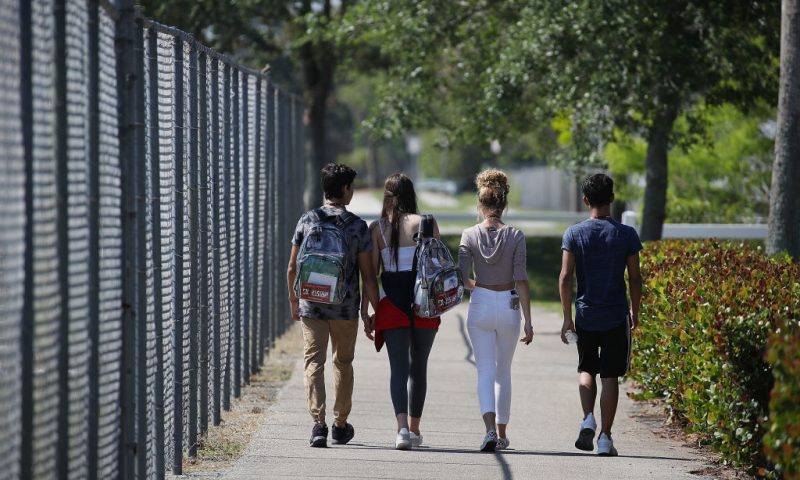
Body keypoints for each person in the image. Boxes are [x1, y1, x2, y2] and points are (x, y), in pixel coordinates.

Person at [287, 163, 380, 448]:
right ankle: (340, 425)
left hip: (311, 304)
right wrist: (371, 310)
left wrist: (294, 301)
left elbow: (292, 267)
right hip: (344, 306)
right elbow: (368, 276)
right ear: (344, 190)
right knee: (343, 362)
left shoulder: (308, 219)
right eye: (351, 187)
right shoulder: (356, 226)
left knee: (314, 361)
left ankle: (318, 425)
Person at [558, 173, 642, 457]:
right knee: (610, 377)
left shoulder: (573, 234)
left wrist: (567, 317)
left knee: (586, 369)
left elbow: (566, 276)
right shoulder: (626, 235)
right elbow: (635, 278)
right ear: (612, 199)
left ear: (585, 200)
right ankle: (605, 438)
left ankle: (587, 418)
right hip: (616, 315)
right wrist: (635, 310)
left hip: (585, 313)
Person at [361, 173, 440, 450]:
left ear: (387, 196)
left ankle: (402, 430)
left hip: (391, 302)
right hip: (424, 303)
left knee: (398, 368)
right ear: (411, 194)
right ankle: (416, 430)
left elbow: (370, 277)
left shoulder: (378, 228)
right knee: (419, 368)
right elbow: (437, 268)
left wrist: (370, 308)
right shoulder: (426, 223)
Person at [459, 169, 533, 452]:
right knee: (504, 371)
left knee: (485, 371)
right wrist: (528, 321)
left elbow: (462, 277)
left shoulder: (468, 235)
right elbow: (521, 279)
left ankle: (489, 429)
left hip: (480, 303)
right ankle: (502, 432)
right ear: (504, 204)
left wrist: (479, 284)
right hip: (509, 304)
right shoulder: (516, 235)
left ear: (480, 205)